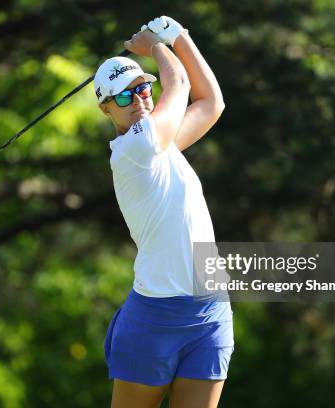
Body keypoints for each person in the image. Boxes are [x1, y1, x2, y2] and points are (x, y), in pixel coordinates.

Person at [94, 16, 233, 408]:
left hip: (210, 311)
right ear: (106, 109)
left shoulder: (162, 143)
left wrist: (180, 37)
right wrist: (154, 44)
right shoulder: (133, 151)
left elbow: (211, 103)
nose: (138, 100)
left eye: (142, 87)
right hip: (154, 318)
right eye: (124, 96)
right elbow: (182, 85)